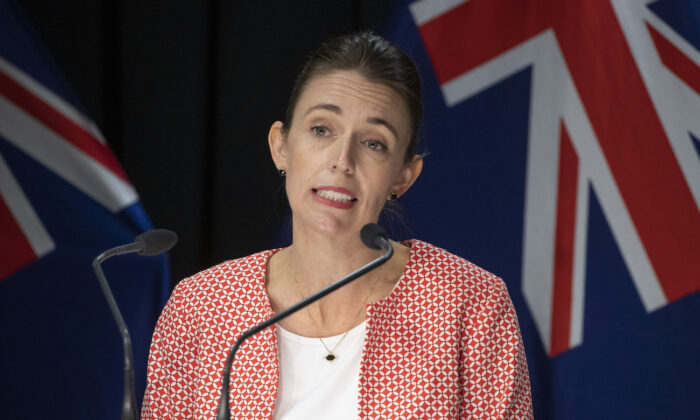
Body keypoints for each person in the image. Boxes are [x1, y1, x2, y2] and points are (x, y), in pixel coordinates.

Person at [141, 31, 532, 419]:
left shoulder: (470, 306)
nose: (342, 160)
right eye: (321, 129)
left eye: (374, 143)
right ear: (281, 145)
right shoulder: (202, 309)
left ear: (403, 177)